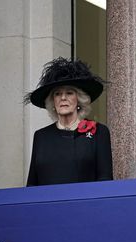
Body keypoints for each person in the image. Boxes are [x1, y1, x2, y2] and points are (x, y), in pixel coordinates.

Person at [25, 57, 113, 185]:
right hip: (48, 204)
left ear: (79, 99)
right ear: (52, 102)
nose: (63, 98)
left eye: (69, 93)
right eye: (57, 94)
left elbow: (105, 181)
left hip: (85, 203)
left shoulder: (99, 132)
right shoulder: (41, 136)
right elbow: (32, 184)